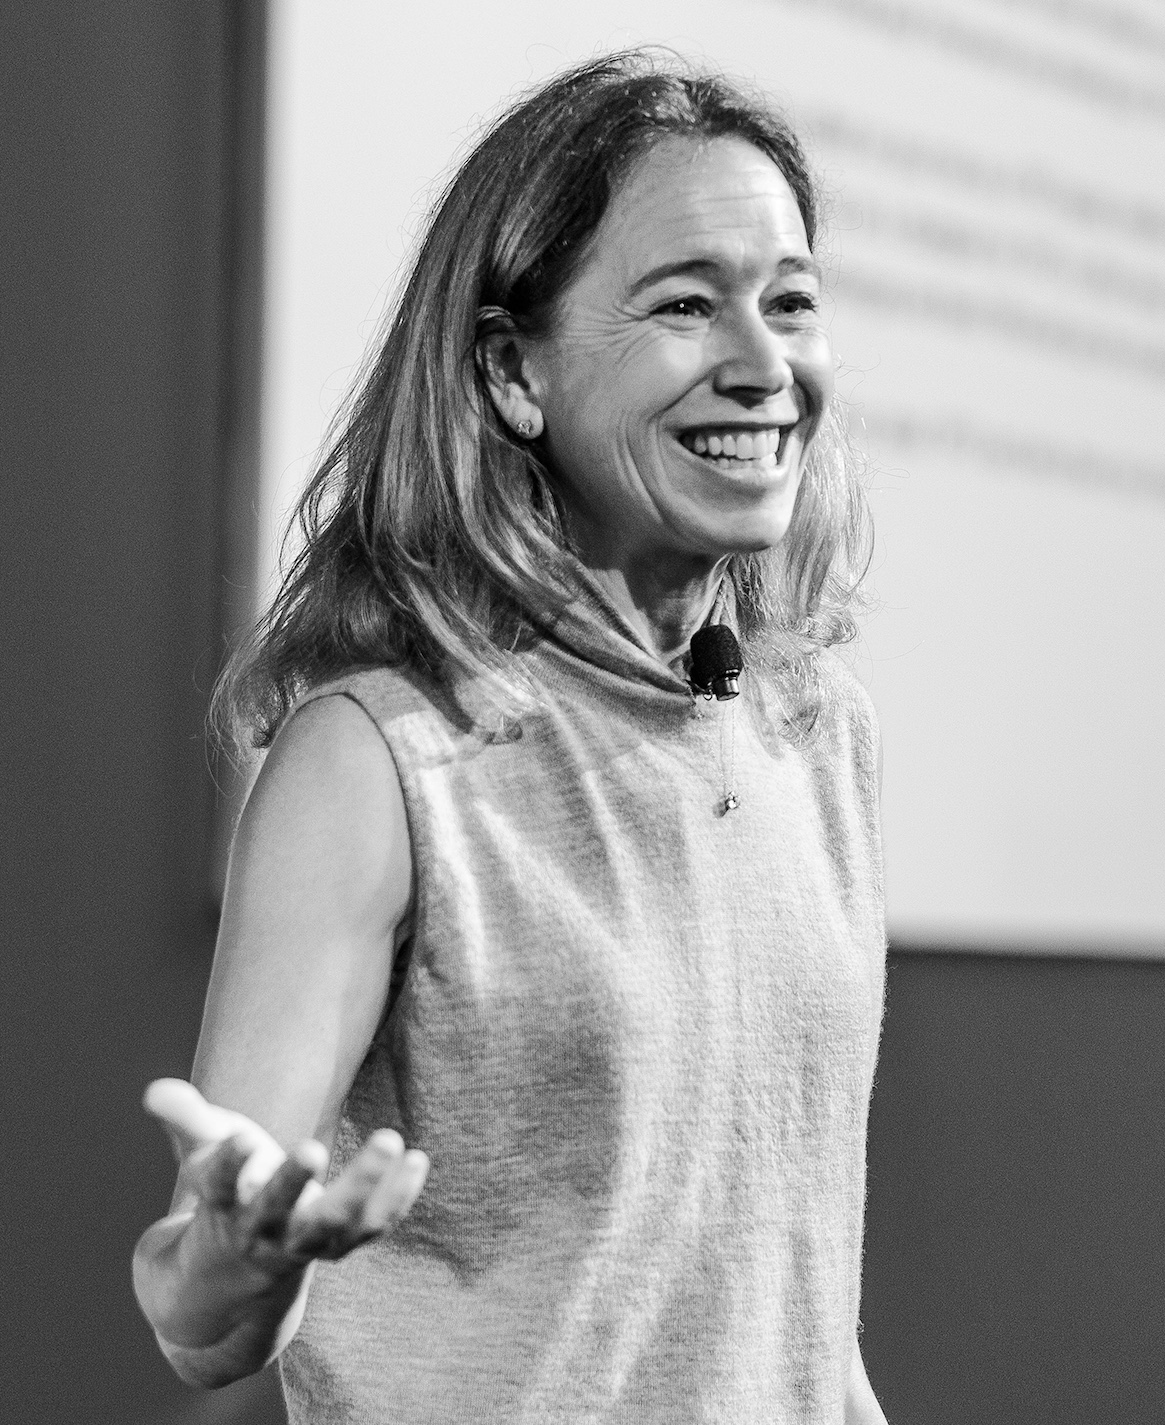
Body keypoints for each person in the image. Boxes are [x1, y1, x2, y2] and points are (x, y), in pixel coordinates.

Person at [132, 51, 889, 1424]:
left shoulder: (820, 736)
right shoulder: (380, 760)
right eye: (685, 305)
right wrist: (244, 1254)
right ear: (509, 371)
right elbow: (200, 1318)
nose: (765, 363)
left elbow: (786, 1302)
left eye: (791, 301)